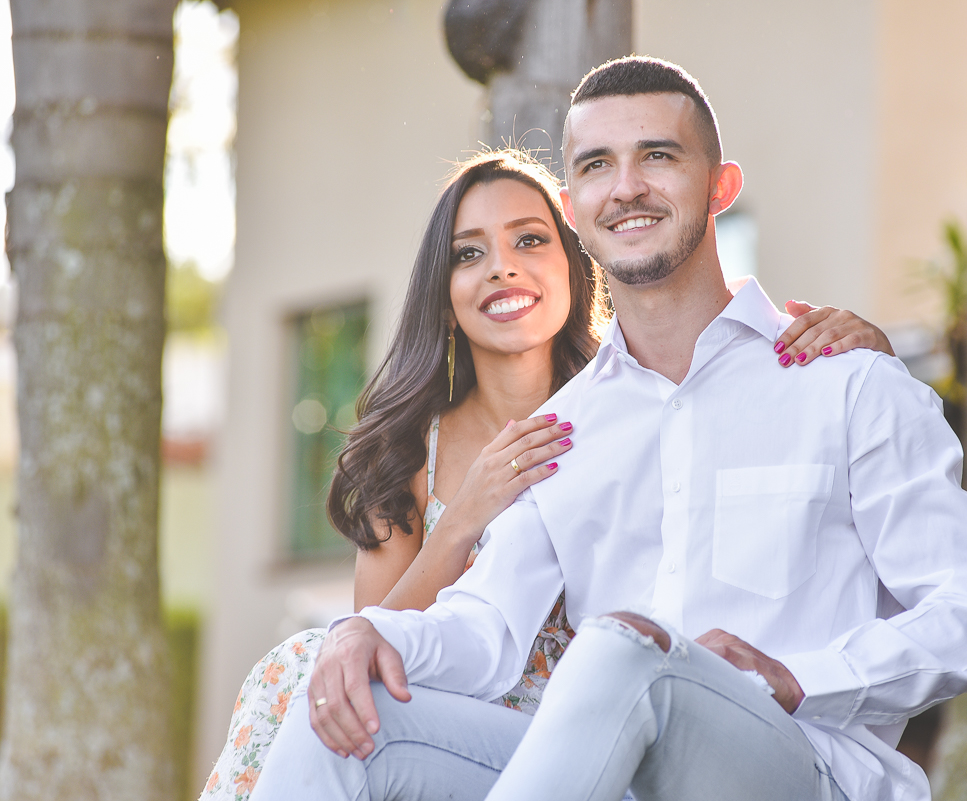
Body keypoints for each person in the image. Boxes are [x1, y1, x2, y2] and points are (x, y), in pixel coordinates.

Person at [250, 57, 967, 801]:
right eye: (595, 166)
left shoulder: (846, 383)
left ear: (720, 187)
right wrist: (368, 635)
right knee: (343, 718)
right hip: (606, 771)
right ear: (575, 206)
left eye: (657, 155)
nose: (626, 188)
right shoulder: (562, 430)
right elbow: (485, 624)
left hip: (803, 765)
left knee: (628, 648)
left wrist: (798, 676)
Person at [199, 149, 893, 800]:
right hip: (450, 709)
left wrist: (862, 353)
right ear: (443, 295)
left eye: (529, 240)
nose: (501, 268)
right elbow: (376, 632)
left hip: (605, 712)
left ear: (576, 263)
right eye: (469, 254)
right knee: (308, 662)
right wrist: (465, 517)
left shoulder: (644, 401)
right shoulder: (408, 450)